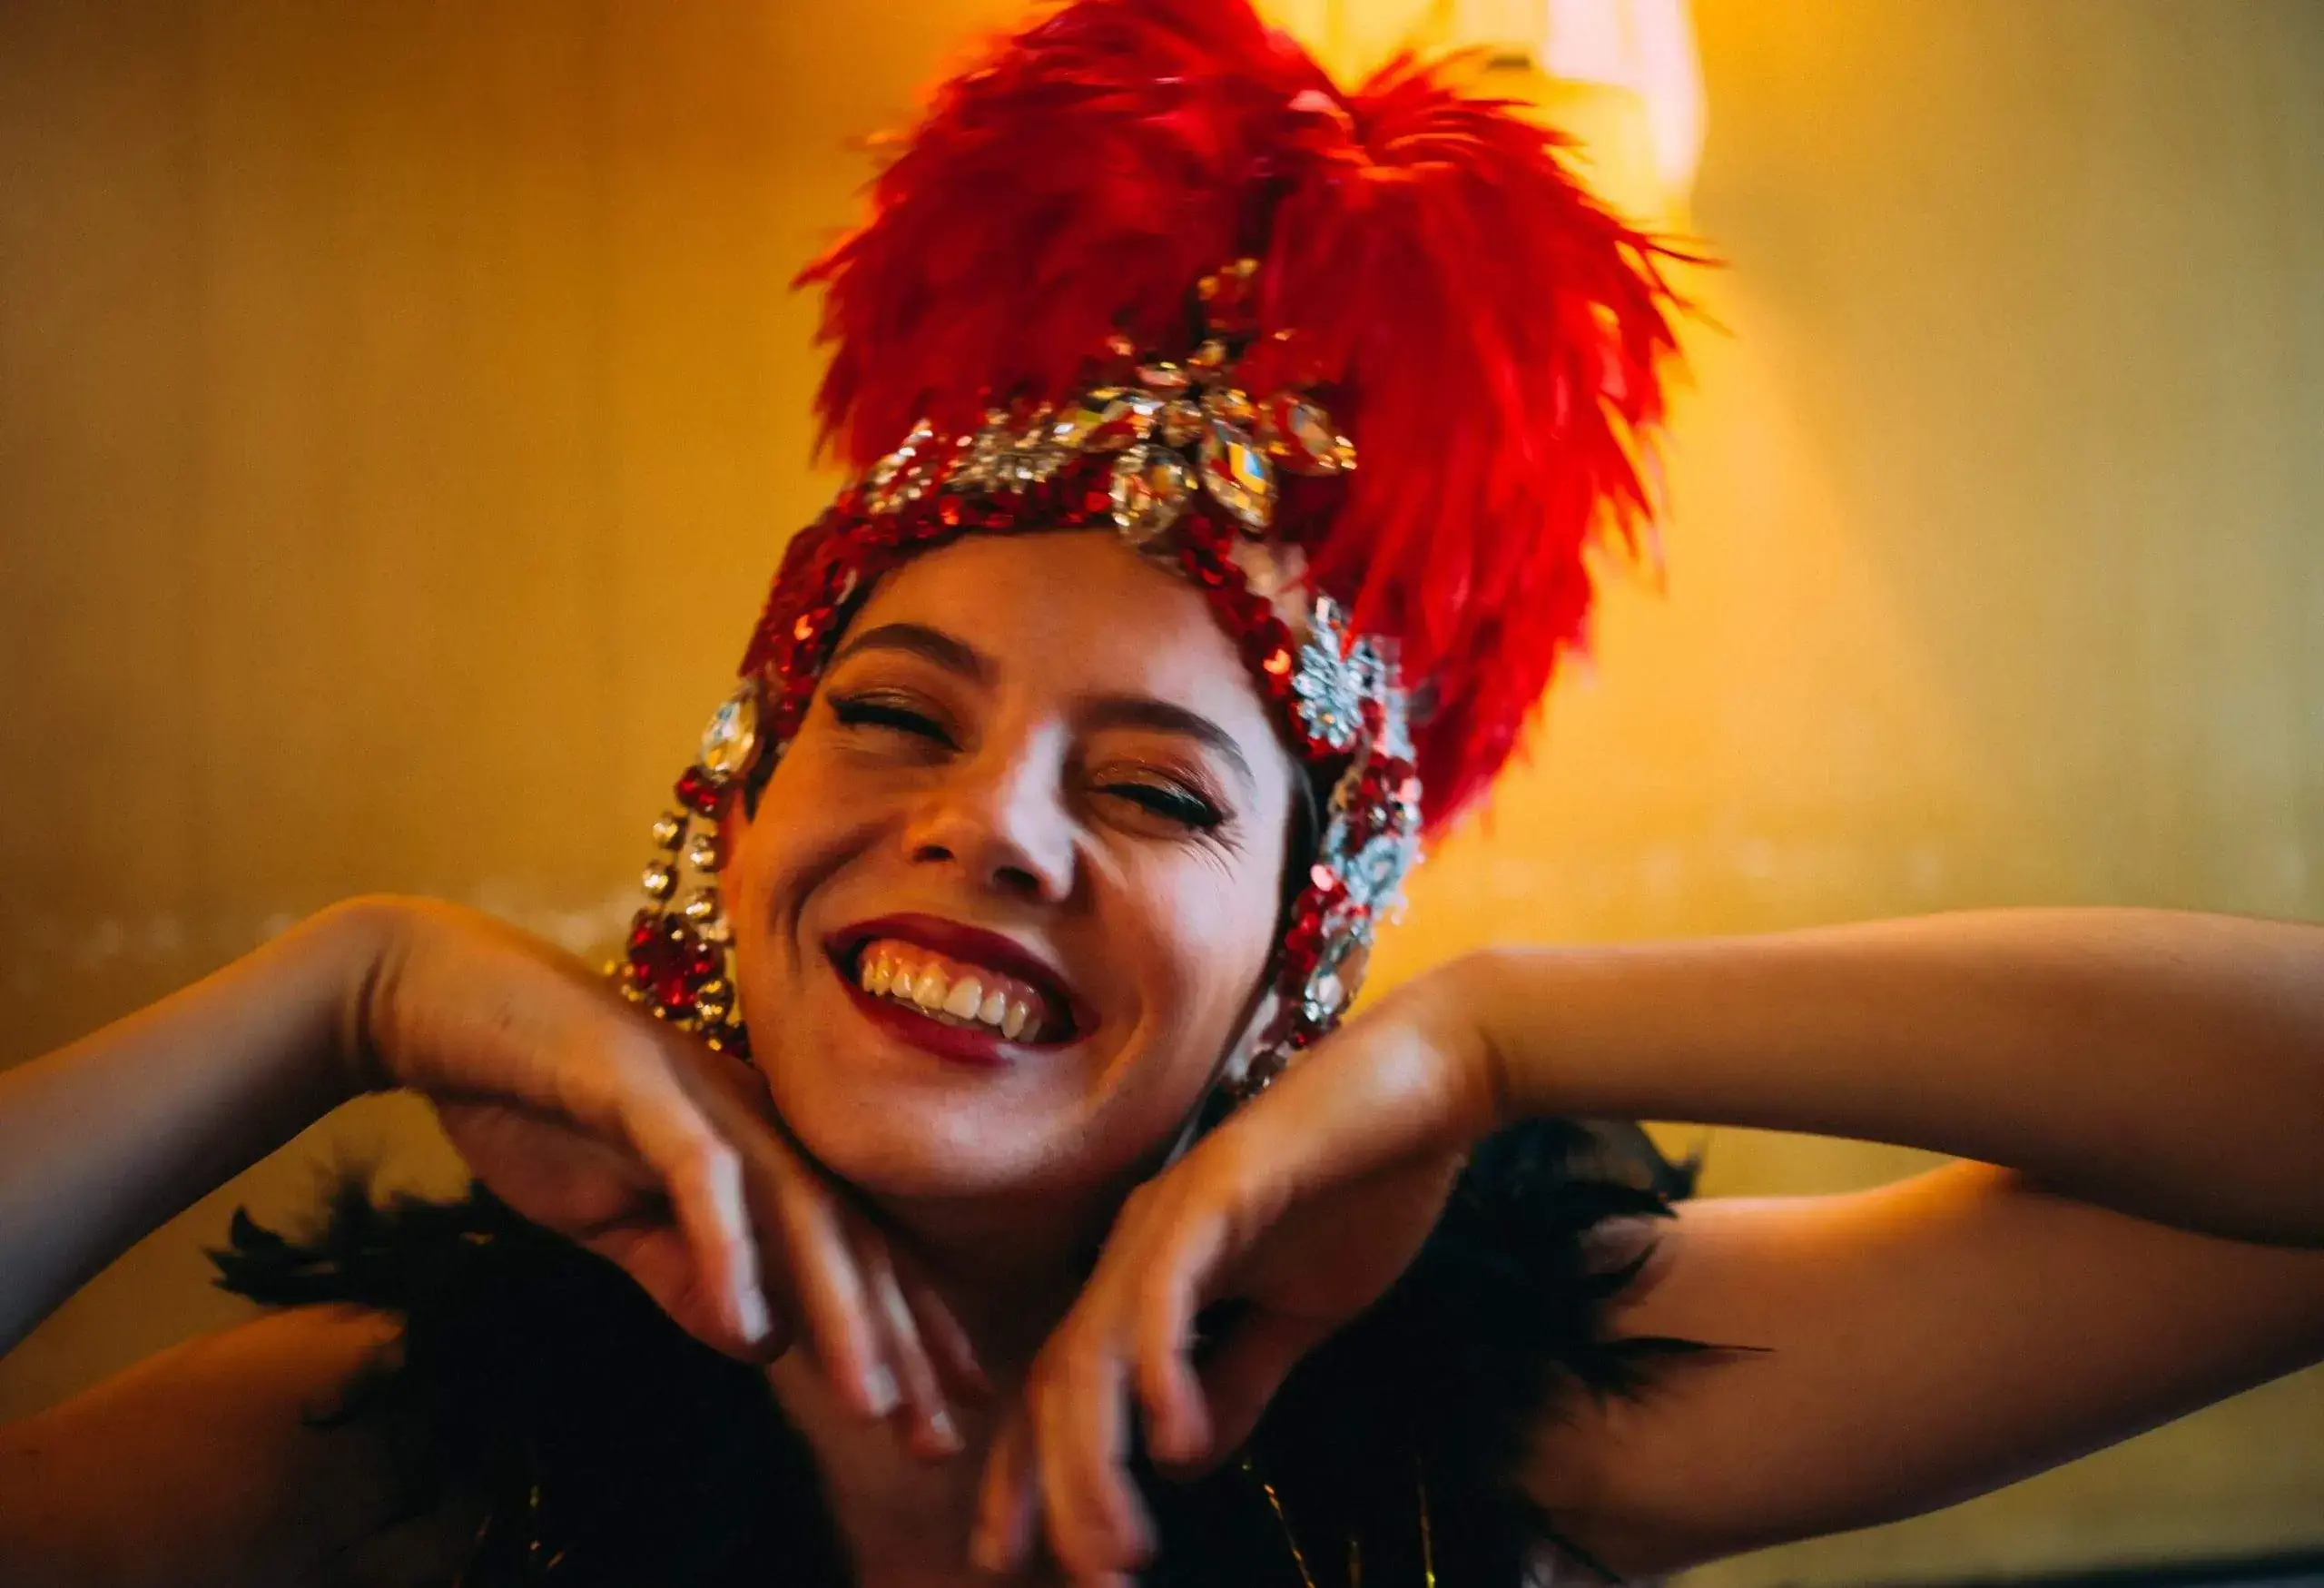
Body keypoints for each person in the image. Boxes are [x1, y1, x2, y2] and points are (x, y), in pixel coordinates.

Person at [3, 1, 2321, 1584]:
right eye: (899, 714)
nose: (997, 825)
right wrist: (345, 989)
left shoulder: (1534, 1417)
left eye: (1158, 796)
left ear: (1291, 971)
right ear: (731, 823)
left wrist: (1504, 1033)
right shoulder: (357, 1456)